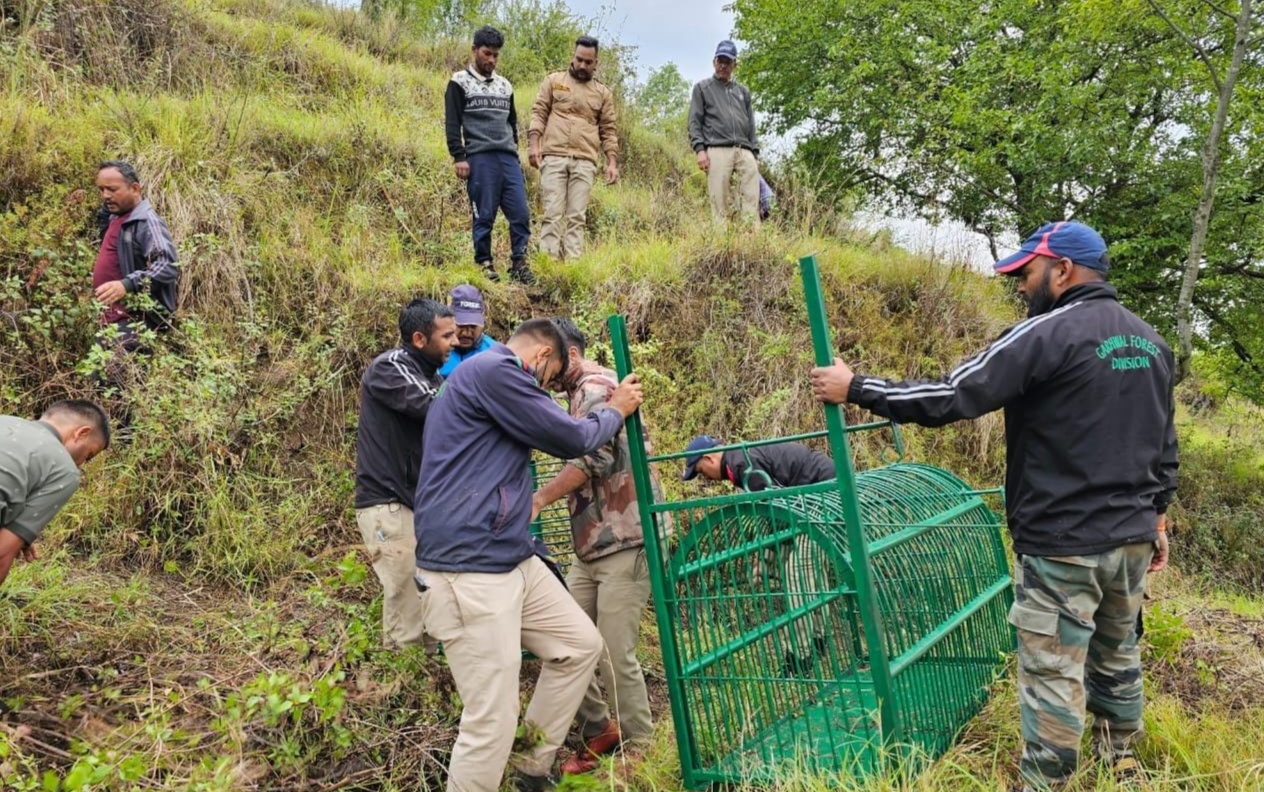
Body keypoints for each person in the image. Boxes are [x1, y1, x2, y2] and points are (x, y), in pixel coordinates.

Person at [809, 221, 1177, 791]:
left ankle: (1044, 782)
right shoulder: (1151, 342)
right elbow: (1164, 440)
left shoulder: (1044, 334)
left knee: (1053, 668)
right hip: (1131, 538)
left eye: (1026, 273)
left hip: (1063, 542)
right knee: (1117, 650)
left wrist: (857, 388)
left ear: (1062, 270)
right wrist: (1158, 515)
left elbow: (953, 394)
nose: (1020, 286)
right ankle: (1122, 760)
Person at [413, 318, 645, 792]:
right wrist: (616, 409)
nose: (548, 388)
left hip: (509, 552)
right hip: (468, 566)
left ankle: (530, 769)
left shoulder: (483, 378)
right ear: (542, 356)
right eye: (551, 376)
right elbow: (572, 438)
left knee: (579, 645)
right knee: (491, 717)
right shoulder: (496, 371)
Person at [531, 319, 662, 775]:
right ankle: (600, 728)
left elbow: (595, 457)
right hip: (592, 546)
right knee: (564, 640)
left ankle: (640, 746)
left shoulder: (594, 387)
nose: (542, 369)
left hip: (625, 538)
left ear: (569, 353)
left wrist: (540, 497)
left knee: (612, 650)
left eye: (548, 357)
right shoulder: (575, 395)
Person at [681, 434, 834, 676]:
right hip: (816, 498)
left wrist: (766, 560)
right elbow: (778, 514)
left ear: (709, 458)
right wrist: (765, 560)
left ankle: (800, 656)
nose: (705, 477)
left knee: (798, 573)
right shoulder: (740, 460)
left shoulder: (744, 465)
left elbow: (777, 513)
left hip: (821, 498)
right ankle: (817, 640)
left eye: (700, 471)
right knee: (810, 569)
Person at [354, 298, 457, 651]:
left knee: (425, 599)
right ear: (419, 339)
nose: (454, 343)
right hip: (389, 504)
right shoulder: (390, 366)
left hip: (415, 504)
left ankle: (419, 675)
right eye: (446, 336)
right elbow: (436, 407)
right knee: (406, 602)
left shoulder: (432, 375)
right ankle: (400, 676)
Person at [445, 25, 534, 284]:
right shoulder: (459, 82)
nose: (491, 60)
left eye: (496, 55)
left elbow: (512, 122)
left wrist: (514, 151)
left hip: (507, 157)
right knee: (484, 214)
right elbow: (453, 123)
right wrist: (459, 156)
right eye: (487, 54)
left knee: (520, 212)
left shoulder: (505, 86)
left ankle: (519, 263)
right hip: (480, 156)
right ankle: (484, 262)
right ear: (474, 50)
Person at [0, 400, 111, 587]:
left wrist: (20, 537)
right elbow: (2, 553)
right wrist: (12, 541)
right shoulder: (65, 469)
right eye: (89, 456)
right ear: (82, 433)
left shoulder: (5, 421)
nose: (81, 464)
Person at [528, 36, 619, 261]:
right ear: (573, 57)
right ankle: (547, 264)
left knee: (577, 217)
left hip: (584, 161)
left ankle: (572, 266)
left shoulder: (603, 93)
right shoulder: (553, 81)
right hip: (554, 156)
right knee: (552, 213)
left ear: (596, 63)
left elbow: (608, 130)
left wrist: (612, 163)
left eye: (588, 62)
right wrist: (534, 145)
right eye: (579, 59)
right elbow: (539, 112)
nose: (582, 65)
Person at [93, 160, 180, 365]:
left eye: (112, 189)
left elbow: (167, 265)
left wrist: (127, 284)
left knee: (114, 379)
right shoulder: (117, 217)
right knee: (100, 378)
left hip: (135, 324)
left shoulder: (146, 221)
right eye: (101, 189)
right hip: (111, 321)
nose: (105, 195)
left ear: (135, 188)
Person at [688, 40, 760, 225]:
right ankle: (721, 240)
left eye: (727, 62)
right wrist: (700, 150)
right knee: (719, 202)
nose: (723, 66)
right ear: (714, 62)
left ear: (734, 65)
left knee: (751, 199)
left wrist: (754, 152)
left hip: (744, 150)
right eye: (720, 61)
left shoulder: (743, 92)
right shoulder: (702, 88)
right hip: (717, 149)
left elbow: (751, 123)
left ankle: (752, 238)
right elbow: (694, 121)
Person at [439, 284, 496, 377]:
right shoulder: (434, 350)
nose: (466, 333)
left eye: (473, 326)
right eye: (461, 325)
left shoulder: (495, 354)